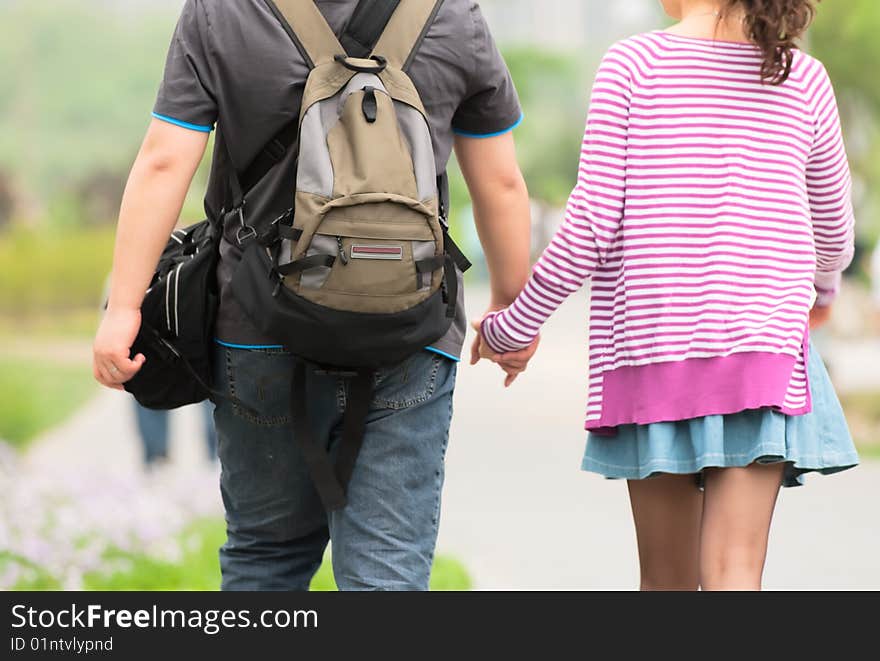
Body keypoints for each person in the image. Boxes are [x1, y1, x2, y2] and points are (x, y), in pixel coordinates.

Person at [93, 0, 536, 591]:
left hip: (257, 324)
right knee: (389, 570)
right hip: (409, 332)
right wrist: (511, 313)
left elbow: (163, 162)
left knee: (264, 558)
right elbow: (502, 183)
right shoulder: (453, 14)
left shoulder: (221, 12)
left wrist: (124, 309)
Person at [476, 0, 859, 591]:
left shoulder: (635, 63)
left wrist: (514, 325)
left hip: (653, 353)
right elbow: (834, 232)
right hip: (764, 353)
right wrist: (823, 291)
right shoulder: (801, 76)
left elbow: (590, 224)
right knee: (735, 573)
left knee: (665, 582)